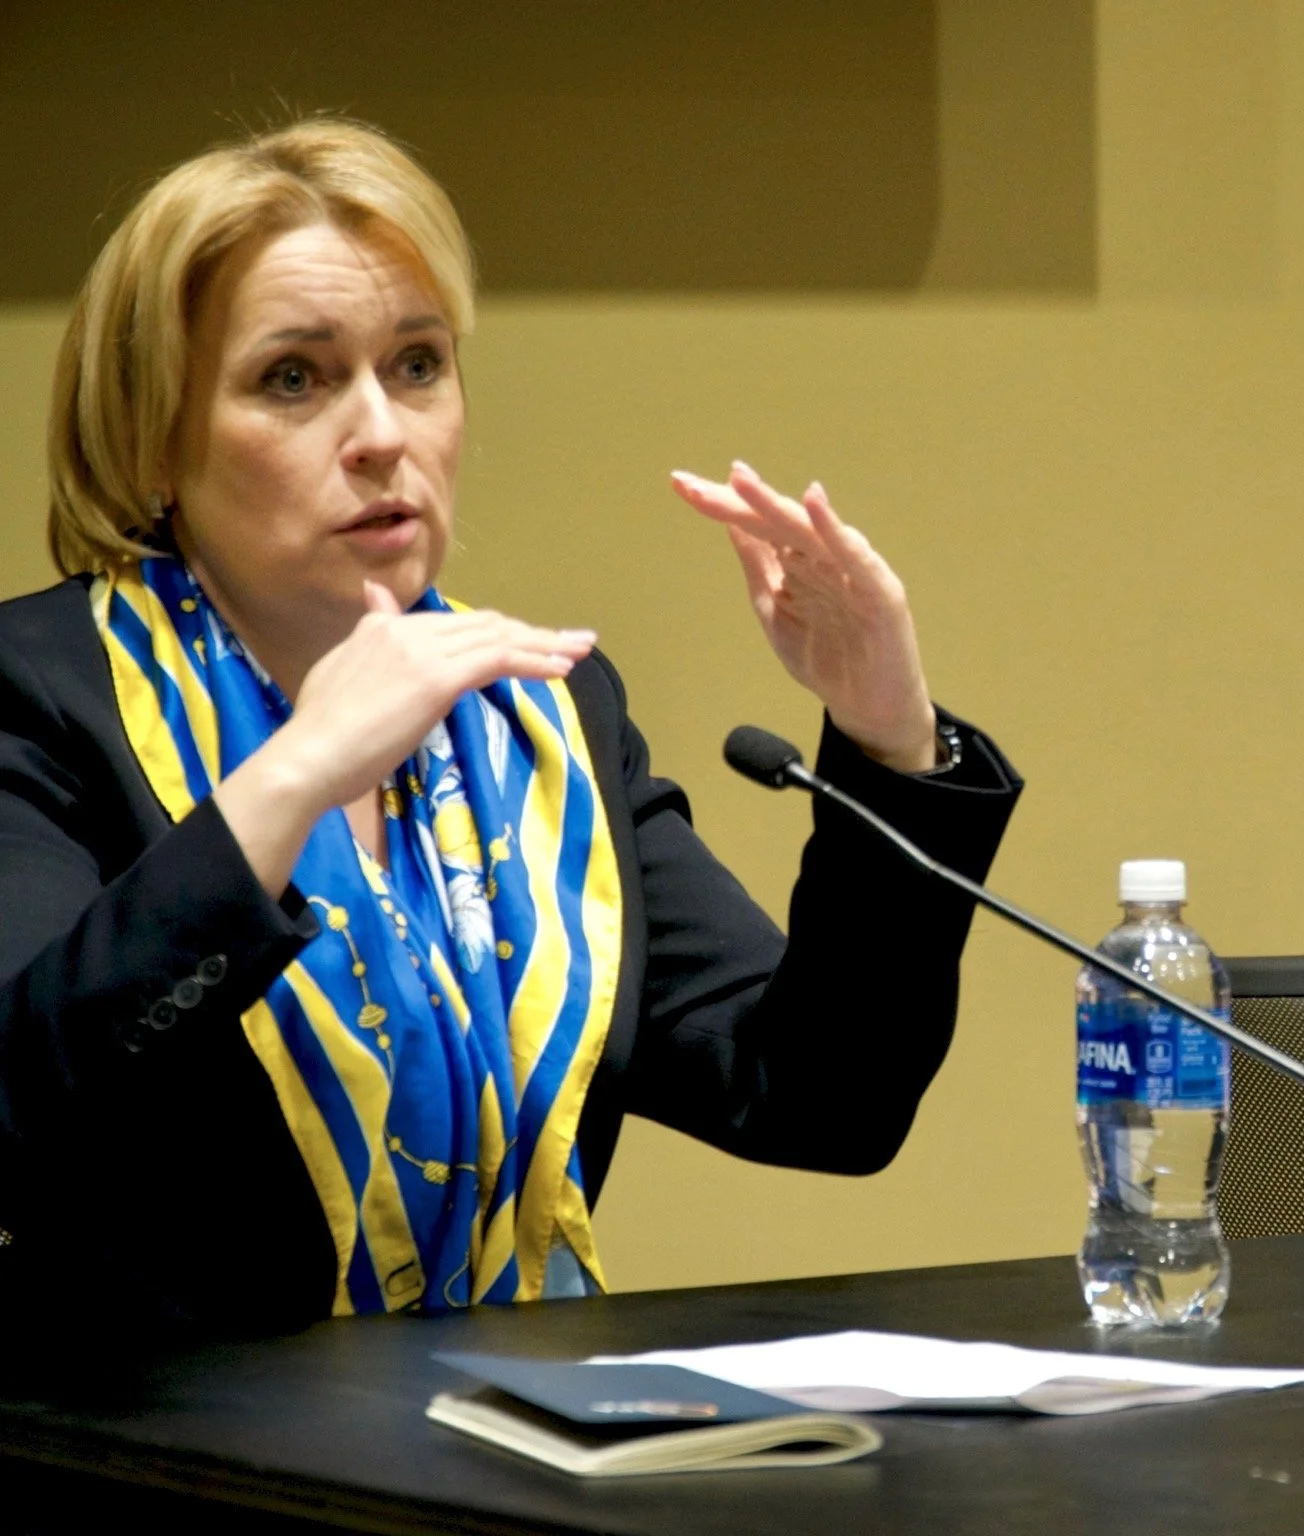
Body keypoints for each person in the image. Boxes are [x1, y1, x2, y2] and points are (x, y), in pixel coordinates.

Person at [0, 118, 1022, 1335]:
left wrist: (890, 737)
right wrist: (294, 778)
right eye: (294, 379)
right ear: (153, 442)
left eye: (417, 365)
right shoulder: (41, 692)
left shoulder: (539, 716)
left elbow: (817, 1099)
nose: (382, 434)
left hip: (505, 1421)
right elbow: (20, 1097)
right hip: (138, 1434)